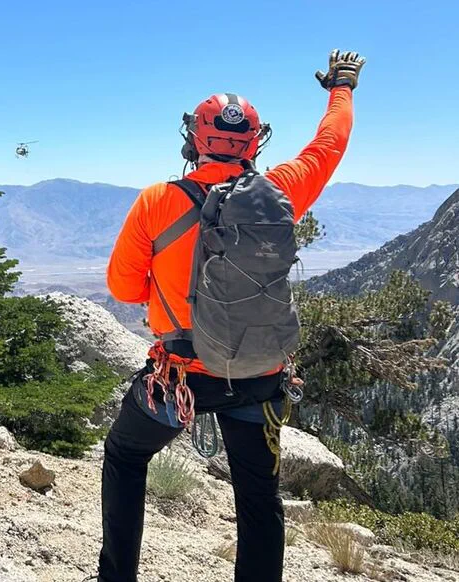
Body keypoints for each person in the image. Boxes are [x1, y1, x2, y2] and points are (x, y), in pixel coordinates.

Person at [97, 50, 365, 582]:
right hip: (259, 378)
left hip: (183, 379)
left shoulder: (157, 201)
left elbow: (122, 287)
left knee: (126, 458)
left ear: (195, 138)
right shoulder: (281, 192)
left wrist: (170, 286)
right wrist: (342, 88)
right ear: (255, 142)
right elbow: (330, 143)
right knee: (258, 496)